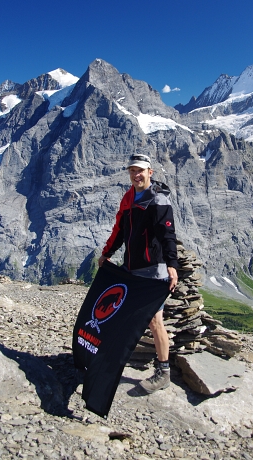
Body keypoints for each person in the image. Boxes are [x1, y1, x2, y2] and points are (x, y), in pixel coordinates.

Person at [98, 152, 178, 393]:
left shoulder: (158, 198)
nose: (136, 175)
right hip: (131, 268)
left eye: (140, 171)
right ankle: (110, 362)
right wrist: (107, 252)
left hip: (153, 270)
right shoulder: (128, 198)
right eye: (132, 171)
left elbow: (167, 234)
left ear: (150, 173)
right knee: (119, 312)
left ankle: (163, 373)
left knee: (155, 321)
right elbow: (120, 230)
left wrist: (172, 265)